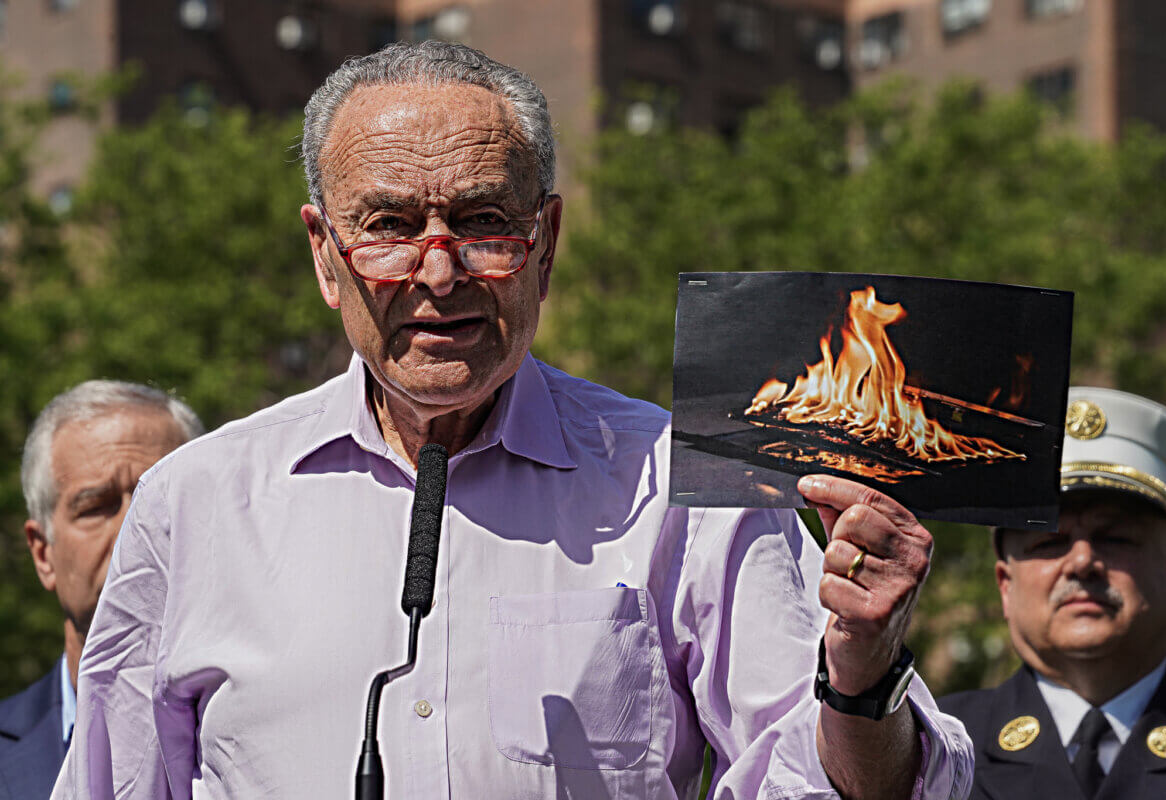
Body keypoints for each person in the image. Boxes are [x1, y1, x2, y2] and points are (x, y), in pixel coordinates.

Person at [52, 41, 971, 799]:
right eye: (389, 225)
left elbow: (839, 784)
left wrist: (860, 677)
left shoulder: (679, 480)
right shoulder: (196, 504)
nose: (439, 272)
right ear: (324, 255)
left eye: (484, 222)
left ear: (547, 244)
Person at [940, 386, 1166, 799]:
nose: (1081, 562)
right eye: (1048, 543)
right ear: (1005, 586)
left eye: (1115, 538)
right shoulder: (930, 749)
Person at [0, 381, 202, 800]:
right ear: (42, 553)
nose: (134, 530)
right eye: (95, 507)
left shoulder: (269, 724)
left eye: (160, 501)